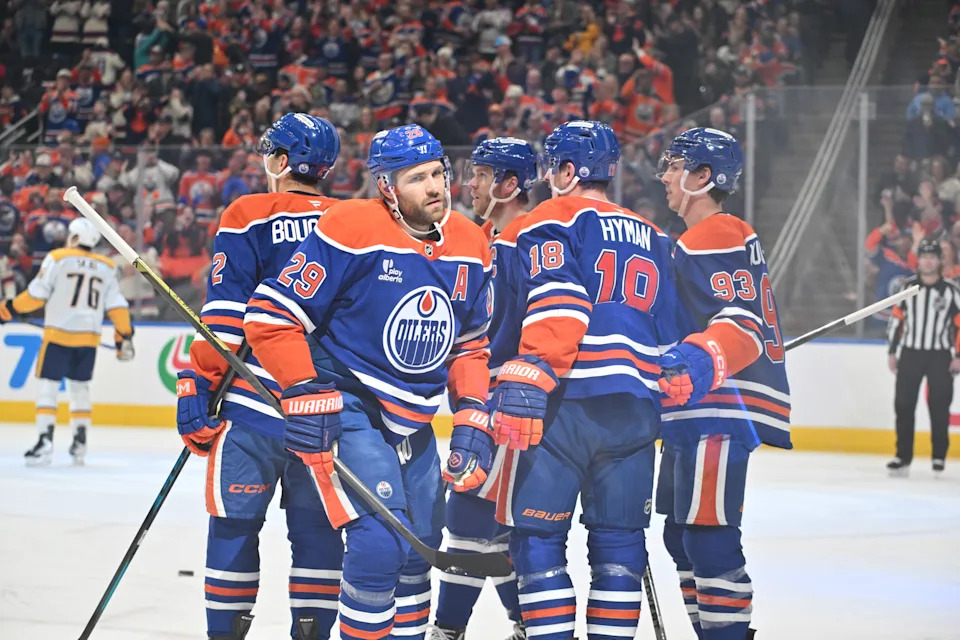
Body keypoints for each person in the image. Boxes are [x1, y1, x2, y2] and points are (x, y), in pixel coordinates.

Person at [243, 124, 493, 640]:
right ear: (387, 187)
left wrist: (470, 416)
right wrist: (303, 389)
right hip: (351, 405)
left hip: (415, 419)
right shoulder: (350, 227)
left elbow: (470, 346)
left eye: (439, 174)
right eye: (418, 178)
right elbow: (271, 315)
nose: (435, 187)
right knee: (380, 542)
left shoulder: (471, 242)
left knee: (419, 544)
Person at [488, 121, 678, 640]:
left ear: (569, 171)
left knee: (538, 541)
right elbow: (673, 337)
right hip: (636, 410)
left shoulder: (546, 219)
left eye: (554, 167)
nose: (549, 178)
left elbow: (554, 300)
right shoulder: (656, 234)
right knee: (619, 550)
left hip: (561, 404)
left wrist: (526, 369)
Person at [175, 113, 344, 640]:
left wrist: (196, 380)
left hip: (251, 404)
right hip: (327, 411)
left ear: (280, 160)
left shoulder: (248, 212)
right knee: (318, 534)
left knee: (234, 525)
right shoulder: (355, 220)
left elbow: (226, 316)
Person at [655, 128, 792, 639]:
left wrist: (697, 360)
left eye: (676, 166)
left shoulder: (713, 231)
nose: (666, 176)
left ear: (703, 176)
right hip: (700, 408)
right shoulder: (713, 234)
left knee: (708, 536)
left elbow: (741, 323)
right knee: (679, 536)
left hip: (718, 407)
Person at [428, 137, 538, 640]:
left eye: (480, 173)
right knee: (488, 527)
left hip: (506, 404)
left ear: (509, 184)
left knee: (469, 517)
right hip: (488, 402)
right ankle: (523, 623)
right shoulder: (488, 238)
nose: (467, 183)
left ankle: (449, 630)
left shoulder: (521, 241)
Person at [0, 218, 134, 466]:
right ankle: (80, 443)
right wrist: (123, 334)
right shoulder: (106, 266)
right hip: (88, 340)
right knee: (80, 390)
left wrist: (8, 309)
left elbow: (36, 295)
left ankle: (44, 441)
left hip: (58, 336)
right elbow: (117, 306)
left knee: (48, 389)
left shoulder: (58, 258)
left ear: (74, 237)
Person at [886, 239, 960, 477]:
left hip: (939, 354)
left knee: (939, 407)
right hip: (910, 353)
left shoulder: (950, 290)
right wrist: (891, 351)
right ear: (919, 259)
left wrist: (958, 355)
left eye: (933, 256)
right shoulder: (907, 287)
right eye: (924, 256)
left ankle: (938, 457)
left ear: (939, 261)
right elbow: (896, 321)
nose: (928, 260)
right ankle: (902, 457)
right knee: (904, 405)